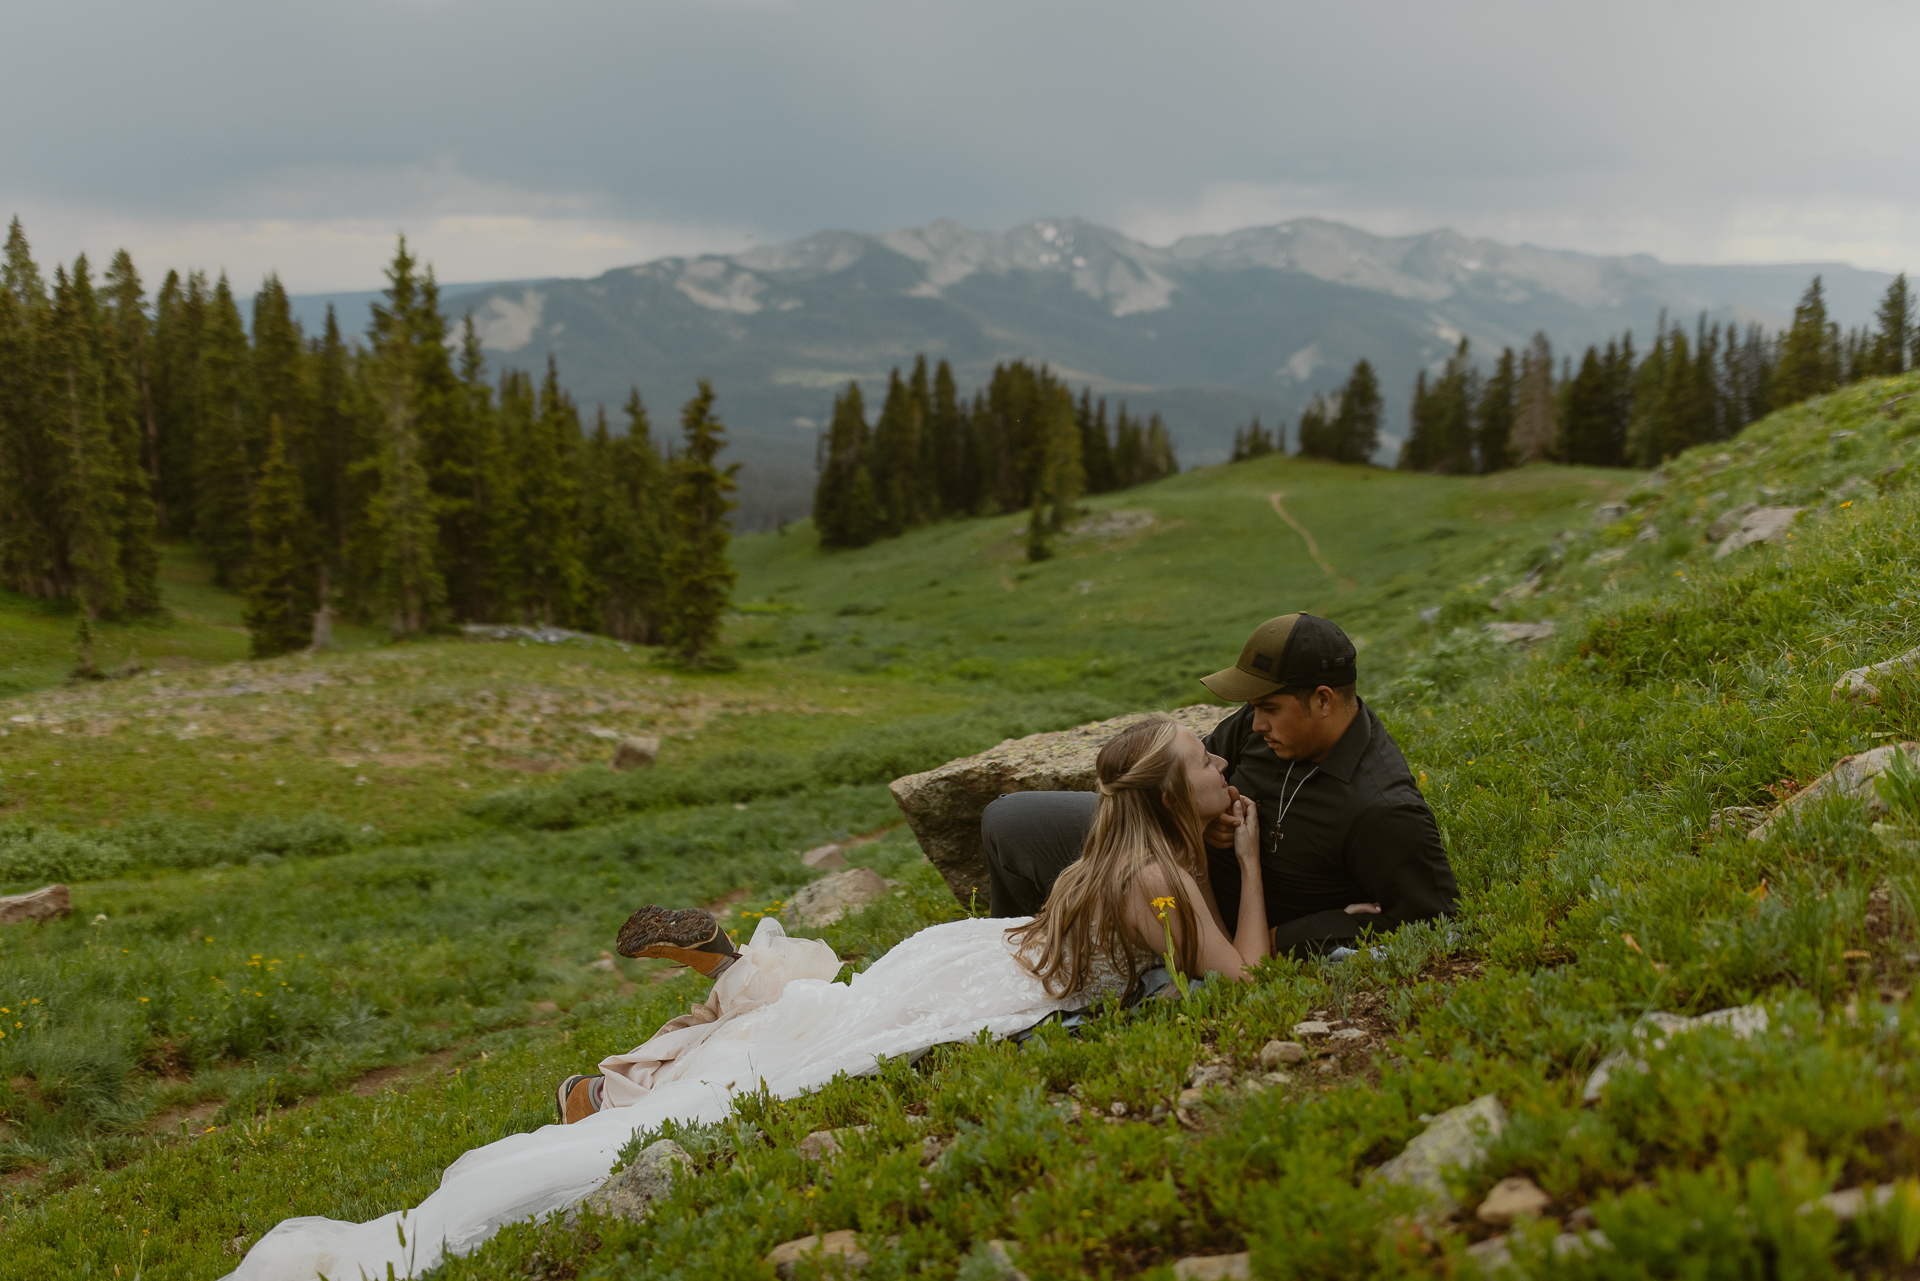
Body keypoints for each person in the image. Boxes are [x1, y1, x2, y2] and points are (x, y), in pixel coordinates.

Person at [224, 715, 1263, 1281]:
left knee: (823, 1020)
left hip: (976, 949)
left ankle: (711, 995)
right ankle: (679, 1032)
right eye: (1208, 761)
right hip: (999, 979)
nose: (1224, 765)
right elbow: (1243, 981)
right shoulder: (1161, 876)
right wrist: (1252, 861)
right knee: (800, 1061)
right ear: (1179, 796)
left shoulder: (1114, 846)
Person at [982, 613, 1458, 955]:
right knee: (1010, 819)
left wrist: (1291, 937)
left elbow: (1432, 914)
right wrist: (1201, 821)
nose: (1253, 726)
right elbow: (1189, 774)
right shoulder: (1262, 728)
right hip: (1165, 848)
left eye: (1269, 709)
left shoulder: (1381, 808)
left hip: (1228, 914)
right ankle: (1027, 952)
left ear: (1323, 700)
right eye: (1253, 708)